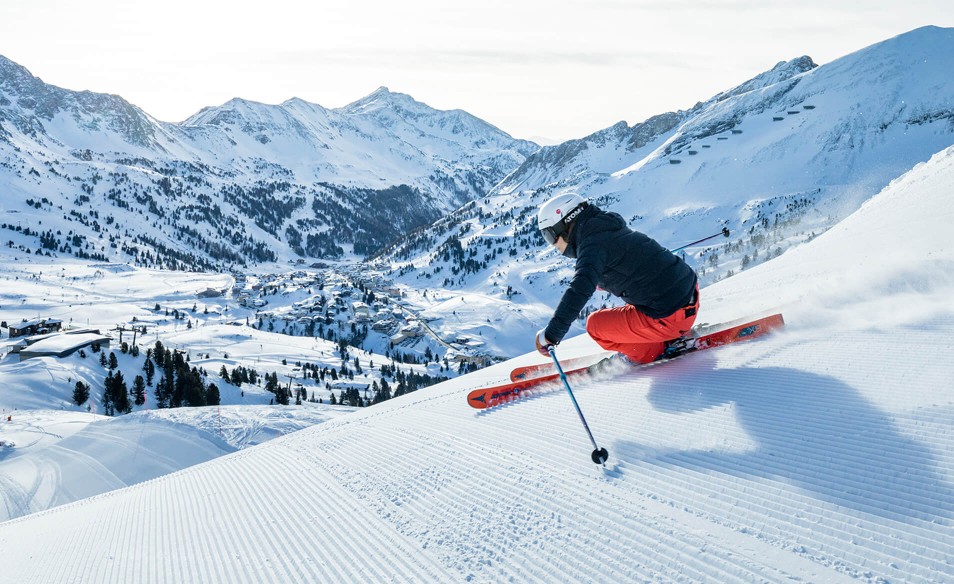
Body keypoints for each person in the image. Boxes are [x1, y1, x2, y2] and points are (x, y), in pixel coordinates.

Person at [534, 193, 699, 364]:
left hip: (669, 317)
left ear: (565, 225)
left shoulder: (592, 245)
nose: (553, 245)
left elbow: (579, 289)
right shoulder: (606, 228)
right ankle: (671, 336)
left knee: (595, 326)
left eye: (549, 236)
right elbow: (630, 265)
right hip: (689, 295)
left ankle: (653, 351)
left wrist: (551, 334)